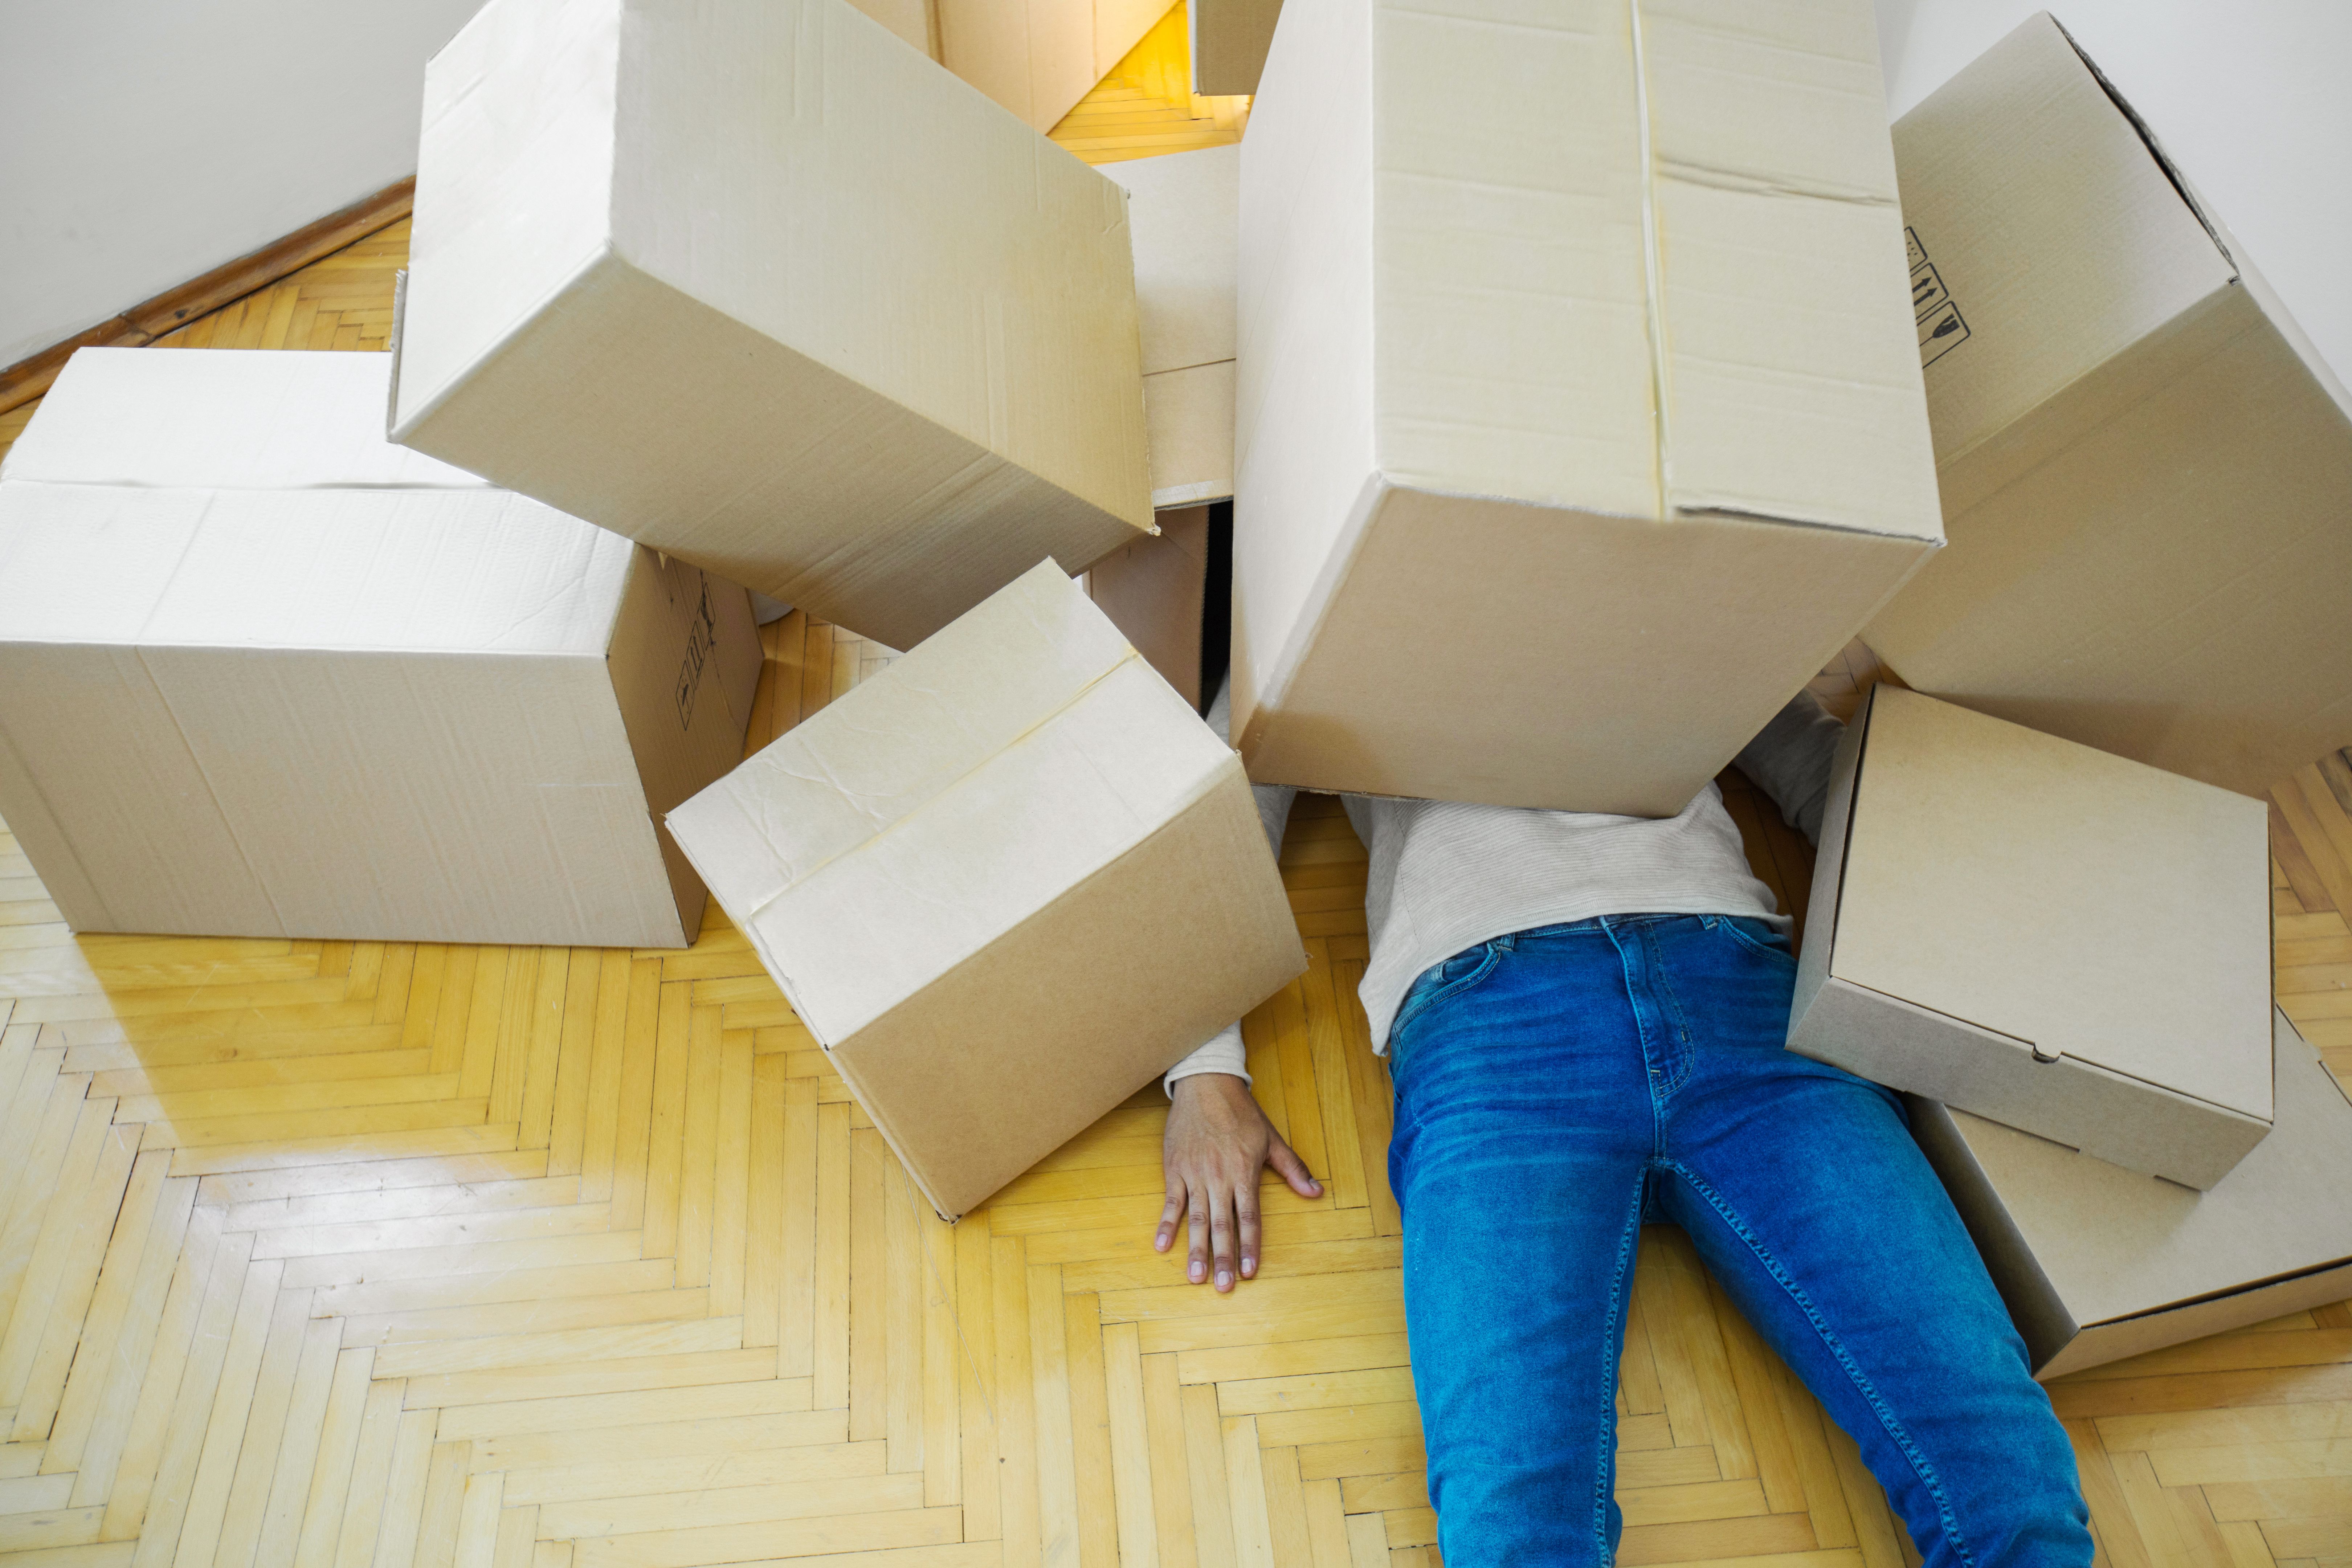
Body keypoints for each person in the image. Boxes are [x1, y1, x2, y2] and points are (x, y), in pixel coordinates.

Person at [1155, 684, 2094, 1568]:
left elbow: (1817, 759)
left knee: (2001, 1458)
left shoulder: (1681, 545)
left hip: (1740, 985)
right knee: (1515, 1521)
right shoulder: (1321, 566)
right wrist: (1203, 1069)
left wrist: (1973, 928)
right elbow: (1216, 799)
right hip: (1491, 1015)